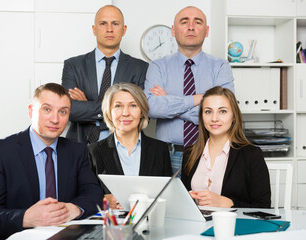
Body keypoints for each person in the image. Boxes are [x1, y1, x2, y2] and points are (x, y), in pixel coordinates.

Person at [0, 83, 104, 240]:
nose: (55, 119)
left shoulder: (76, 151)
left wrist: (74, 209)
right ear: (31, 111)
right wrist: (25, 218)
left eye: (63, 112)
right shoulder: (0, 151)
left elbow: (94, 193)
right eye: (47, 109)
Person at [144, 6, 234, 177]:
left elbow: (224, 112)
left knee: (206, 203)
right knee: (169, 204)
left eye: (197, 22)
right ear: (173, 30)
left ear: (206, 31)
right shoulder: (158, 66)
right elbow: (152, 108)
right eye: (184, 22)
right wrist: (196, 99)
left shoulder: (220, 66)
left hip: (210, 152)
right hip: (168, 156)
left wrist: (170, 104)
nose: (191, 27)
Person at [62, 5, 148, 145]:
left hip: (124, 146)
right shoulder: (73, 65)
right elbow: (69, 110)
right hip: (80, 145)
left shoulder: (140, 68)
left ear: (124, 29)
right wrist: (120, 109)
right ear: (94, 29)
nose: (109, 29)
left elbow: (142, 113)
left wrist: (87, 105)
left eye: (115, 23)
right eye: (103, 24)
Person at [181, 86, 271, 208]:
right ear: (202, 116)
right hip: (199, 225)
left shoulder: (251, 154)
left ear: (234, 116)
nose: (214, 118)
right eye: (208, 111)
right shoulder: (189, 153)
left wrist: (229, 203)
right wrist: (186, 199)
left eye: (222, 111)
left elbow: (264, 206)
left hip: (235, 225)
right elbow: (183, 205)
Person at [88, 83, 172, 208]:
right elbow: (86, 195)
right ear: (109, 112)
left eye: (133, 105)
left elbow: (168, 194)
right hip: (112, 224)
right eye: (118, 106)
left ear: (142, 112)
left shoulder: (160, 149)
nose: (125, 113)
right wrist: (104, 200)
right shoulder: (94, 151)